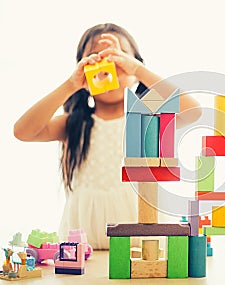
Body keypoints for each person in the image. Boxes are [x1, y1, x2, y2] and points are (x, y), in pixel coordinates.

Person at [13, 23, 202, 249]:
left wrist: (138, 70)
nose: (108, 67)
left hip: (142, 241)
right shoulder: (75, 123)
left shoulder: (149, 117)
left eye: (118, 57)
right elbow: (22, 131)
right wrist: (70, 85)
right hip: (84, 243)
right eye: (95, 58)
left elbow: (193, 111)